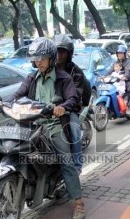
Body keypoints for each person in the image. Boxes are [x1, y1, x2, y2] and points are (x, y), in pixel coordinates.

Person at [0, 37, 86, 219]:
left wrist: (62, 107)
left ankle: (79, 203)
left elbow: (73, 99)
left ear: (51, 58)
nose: (38, 62)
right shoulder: (31, 78)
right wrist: (3, 103)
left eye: (42, 58)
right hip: (33, 124)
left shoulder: (63, 78)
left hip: (54, 126)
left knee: (66, 161)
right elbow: (18, 95)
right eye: (36, 59)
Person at [54, 34, 91, 174]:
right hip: (50, 108)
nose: (59, 54)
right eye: (57, 51)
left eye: (62, 51)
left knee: (74, 132)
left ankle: (77, 166)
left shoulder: (76, 72)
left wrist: (64, 106)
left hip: (70, 109)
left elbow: (76, 95)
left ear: (69, 53)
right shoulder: (49, 69)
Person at [105, 45, 130, 110]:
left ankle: (129, 106)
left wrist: (125, 76)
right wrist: (104, 76)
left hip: (126, 81)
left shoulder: (129, 61)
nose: (119, 55)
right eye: (118, 53)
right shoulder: (116, 62)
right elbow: (110, 70)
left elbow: (128, 70)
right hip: (116, 81)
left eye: (121, 53)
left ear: (124, 53)